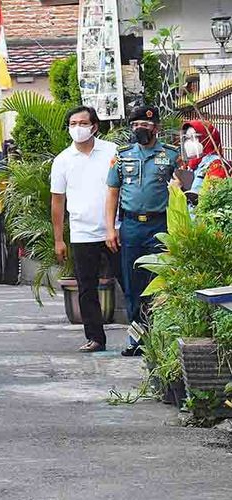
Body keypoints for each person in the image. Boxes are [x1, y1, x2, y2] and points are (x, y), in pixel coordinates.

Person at [105, 105, 180, 357]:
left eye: (145, 126)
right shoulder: (123, 155)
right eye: (136, 125)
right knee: (133, 283)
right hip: (132, 227)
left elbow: (181, 188)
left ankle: (159, 338)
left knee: (159, 282)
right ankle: (136, 339)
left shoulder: (171, 156)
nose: (140, 129)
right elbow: (112, 193)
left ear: (155, 128)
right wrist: (110, 228)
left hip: (160, 226)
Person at [51, 106, 121, 353]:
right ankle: (95, 337)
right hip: (81, 232)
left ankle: (141, 335)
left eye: (82, 123)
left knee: (129, 282)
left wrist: (116, 224)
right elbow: (57, 201)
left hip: (114, 230)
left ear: (94, 126)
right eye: (72, 124)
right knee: (86, 287)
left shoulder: (112, 152)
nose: (77, 128)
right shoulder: (62, 161)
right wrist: (59, 239)